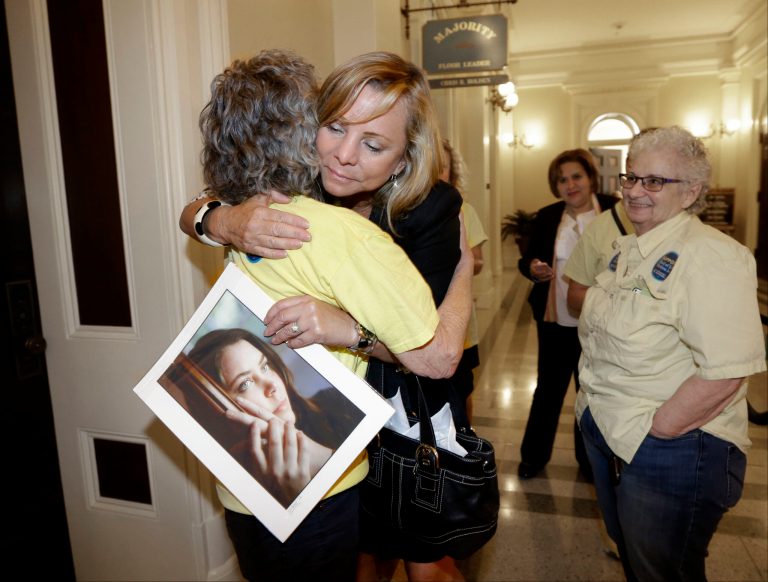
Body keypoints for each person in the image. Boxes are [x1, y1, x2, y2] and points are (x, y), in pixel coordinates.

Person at [184, 52, 476, 580]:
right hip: (325, 442)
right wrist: (224, 220)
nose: (342, 156)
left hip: (404, 411)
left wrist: (462, 273)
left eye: (372, 144)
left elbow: (437, 356)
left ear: (404, 157)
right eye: (334, 127)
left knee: (418, 556)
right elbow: (195, 208)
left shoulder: (430, 209)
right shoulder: (291, 195)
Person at [576, 126, 766, 581]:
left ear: (692, 192)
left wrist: (656, 431)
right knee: (640, 563)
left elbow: (725, 372)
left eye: (655, 181)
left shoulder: (711, 256)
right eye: (631, 178)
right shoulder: (631, 250)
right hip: (613, 429)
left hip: (673, 447)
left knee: (663, 572)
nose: (636, 191)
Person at [516, 149, 618, 481]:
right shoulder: (548, 216)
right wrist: (533, 267)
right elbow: (526, 259)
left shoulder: (616, 212)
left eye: (577, 176)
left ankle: (589, 461)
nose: (570, 184)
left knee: (591, 391)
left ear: (590, 178)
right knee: (548, 388)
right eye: (562, 179)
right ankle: (533, 456)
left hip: (602, 322)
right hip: (556, 319)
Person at [182, 328, 364, 508]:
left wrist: (315, 453)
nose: (272, 385)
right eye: (245, 383)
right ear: (226, 411)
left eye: (265, 367)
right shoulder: (248, 493)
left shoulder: (336, 401)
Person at [440, 139, 488, 422]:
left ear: (452, 173)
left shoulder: (464, 211)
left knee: (461, 393)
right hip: (421, 326)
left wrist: (461, 263)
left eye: (442, 168)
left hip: (460, 328)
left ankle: (465, 445)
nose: (436, 174)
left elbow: (479, 262)